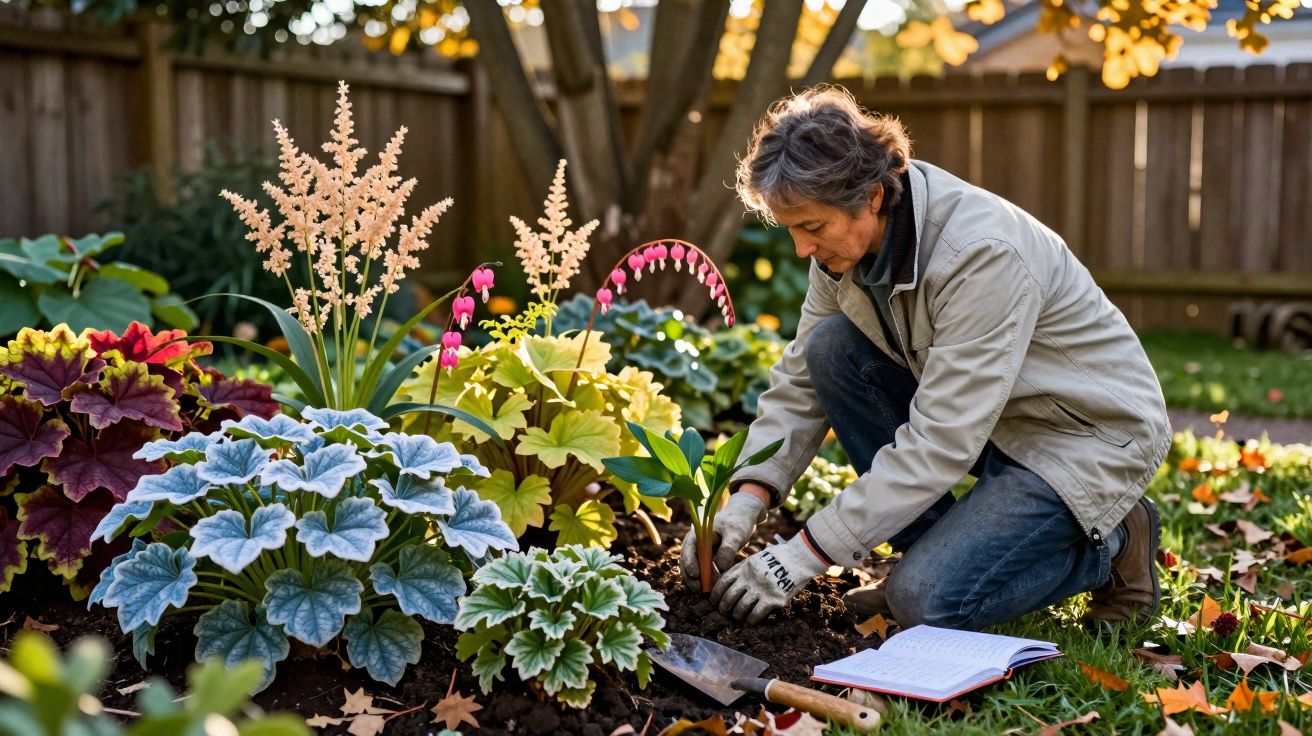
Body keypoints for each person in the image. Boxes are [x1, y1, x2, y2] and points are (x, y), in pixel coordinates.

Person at [680, 86, 1171, 629]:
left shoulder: (980, 254)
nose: (801, 249)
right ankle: (930, 550)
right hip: (994, 418)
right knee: (831, 349)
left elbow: (941, 439)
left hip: (1083, 436)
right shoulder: (844, 251)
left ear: (870, 196)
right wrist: (748, 497)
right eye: (792, 229)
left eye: (811, 227)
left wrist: (804, 554)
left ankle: (1114, 543)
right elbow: (801, 381)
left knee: (926, 604)